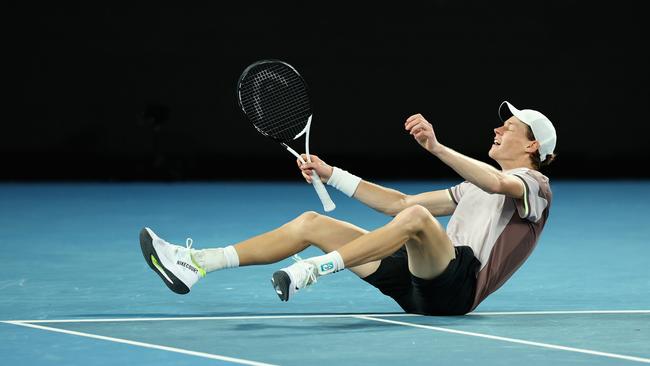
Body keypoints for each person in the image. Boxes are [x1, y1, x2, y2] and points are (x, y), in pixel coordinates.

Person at [139, 100, 557, 315]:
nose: (498, 128)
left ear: (532, 145)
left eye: (510, 126)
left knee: (418, 220)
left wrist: (435, 146)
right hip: (422, 281)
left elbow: (498, 181)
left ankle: (313, 271)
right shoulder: (473, 187)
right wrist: (331, 172)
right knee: (313, 223)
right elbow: (400, 203)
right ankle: (197, 264)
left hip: (457, 289)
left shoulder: (534, 186)